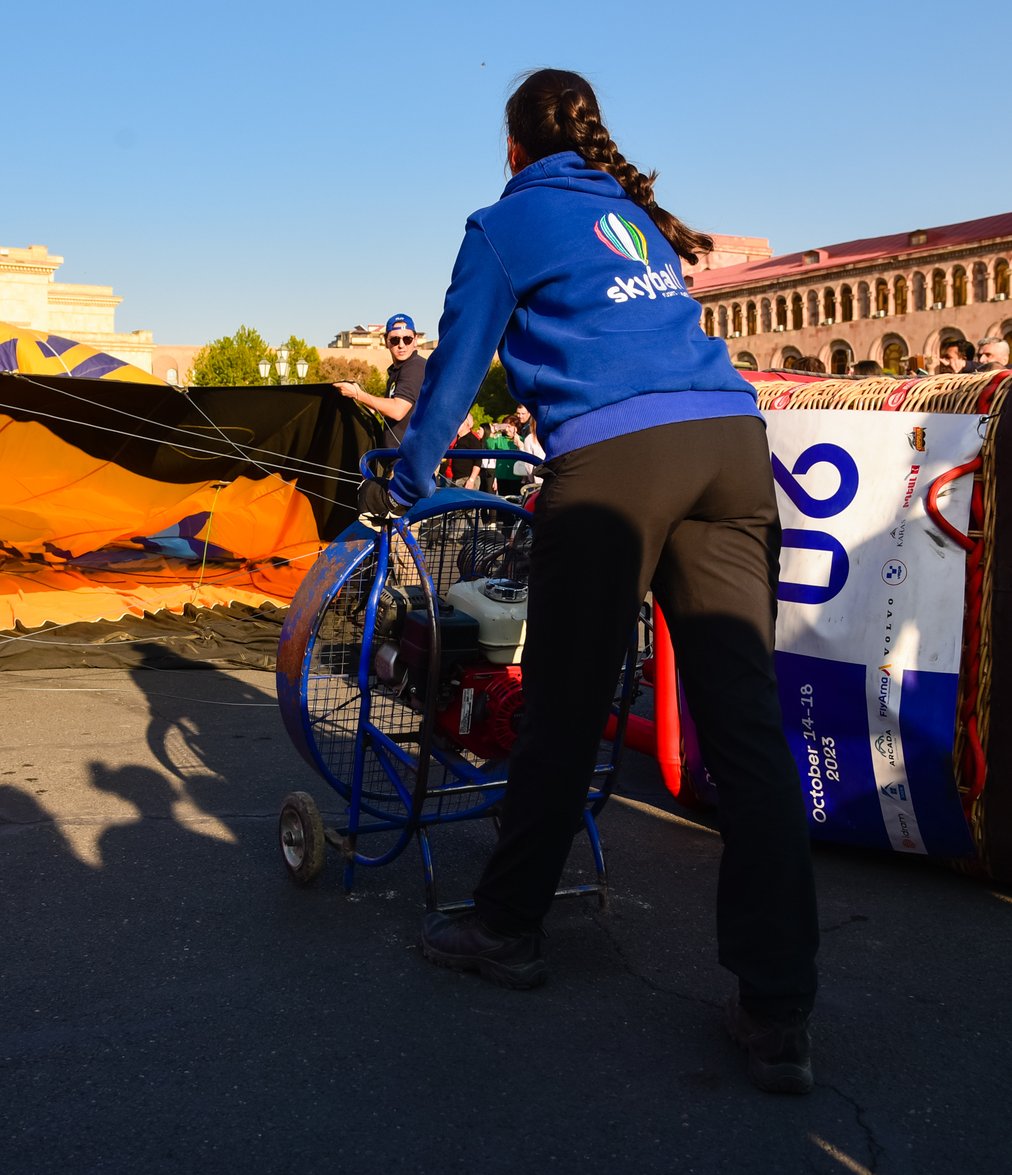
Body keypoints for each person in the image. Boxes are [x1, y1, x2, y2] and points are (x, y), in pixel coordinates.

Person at [386, 69, 819, 1094]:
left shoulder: (502, 225)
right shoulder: (634, 217)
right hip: (730, 442)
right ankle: (779, 1011)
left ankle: (507, 926)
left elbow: (455, 368)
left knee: (566, 707)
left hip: (620, 461)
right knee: (747, 729)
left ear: (511, 150)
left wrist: (405, 479)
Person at [336, 315, 425, 447]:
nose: (401, 345)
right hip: (394, 455)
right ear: (386, 341)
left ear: (415, 340)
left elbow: (397, 410)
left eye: (407, 339)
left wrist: (358, 394)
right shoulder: (398, 370)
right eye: (395, 340)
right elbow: (393, 407)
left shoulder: (415, 367)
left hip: (408, 457)